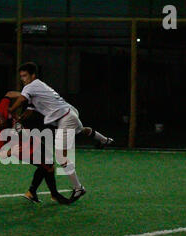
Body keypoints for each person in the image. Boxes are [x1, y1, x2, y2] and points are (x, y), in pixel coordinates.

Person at [9, 62, 114, 201]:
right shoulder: (37, 88)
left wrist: (10, 111)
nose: (23, 79)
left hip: (65, 118)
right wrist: (20, 118)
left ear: (33, 75)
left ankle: (78, 188)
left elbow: (22, 99)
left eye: (25, 76)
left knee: (60, 156)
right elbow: (29, 110)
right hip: (69, 113)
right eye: (21, 76)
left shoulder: (31, 86)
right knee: (82, 130)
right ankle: (105, 140)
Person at [0, 93, 71, 204]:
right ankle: (54, 194)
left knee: (47, 164)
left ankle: (31, 192)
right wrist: (11, 151)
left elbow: (9, 94)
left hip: (31, 138)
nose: (0, 121)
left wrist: (26, 95)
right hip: (24, 150)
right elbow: (1, 154)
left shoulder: (3, 108)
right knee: (48, 167)